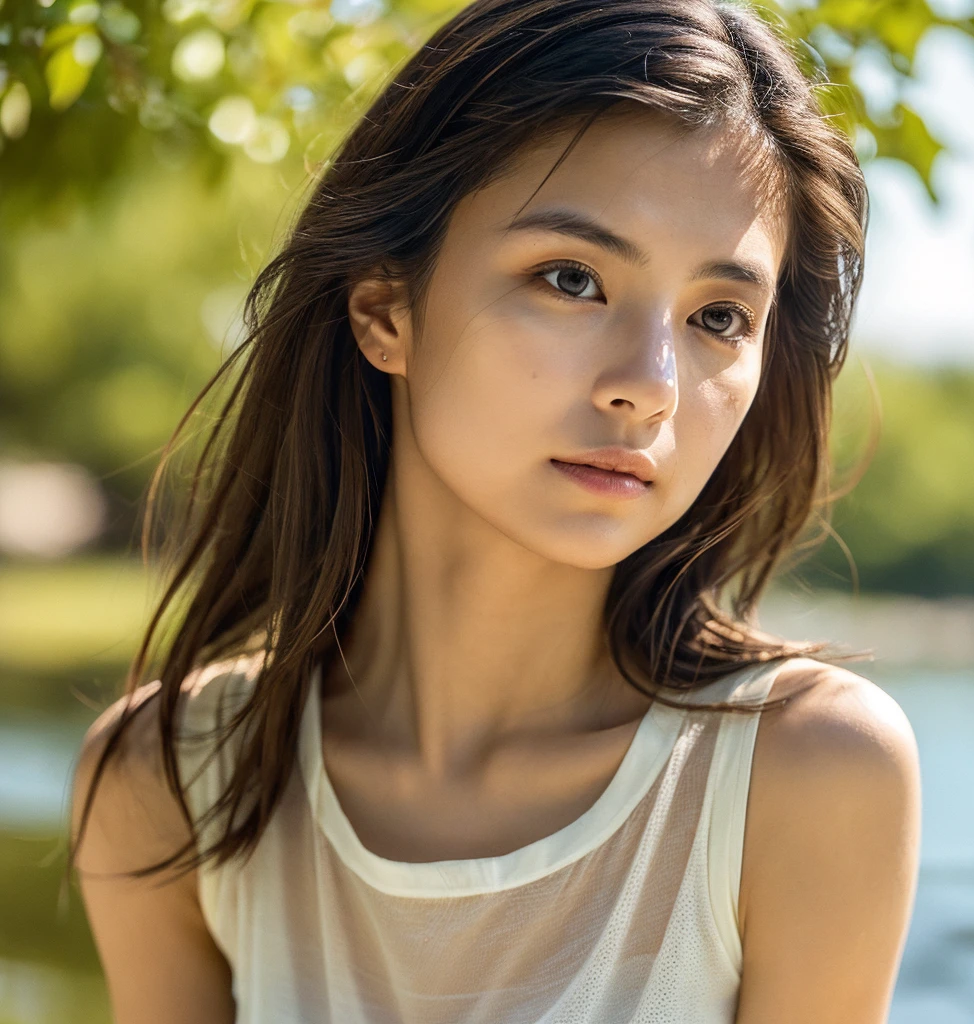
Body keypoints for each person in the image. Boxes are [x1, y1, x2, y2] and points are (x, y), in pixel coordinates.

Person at [69, 0, 921, 1021]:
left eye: (716, 317)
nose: (647, 385)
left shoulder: (807, 774)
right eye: (571, 279)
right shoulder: (164, 782)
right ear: (385, 308)